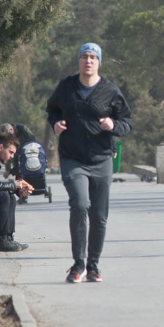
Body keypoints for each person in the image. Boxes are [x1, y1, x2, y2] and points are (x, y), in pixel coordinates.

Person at [46, 42, 133, 283]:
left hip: (102, 158)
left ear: (99, 62)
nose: (88, 61)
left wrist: (113, 126)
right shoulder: (66, 87)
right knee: (80, 204)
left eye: (93, 57)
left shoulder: (110, 91)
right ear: (79, 61)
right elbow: (52, 110)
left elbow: (126, 121)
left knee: (99, 215)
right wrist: (56, 123)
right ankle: (78, 264)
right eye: (85, 56)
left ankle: (93, 265)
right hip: (72, 158)